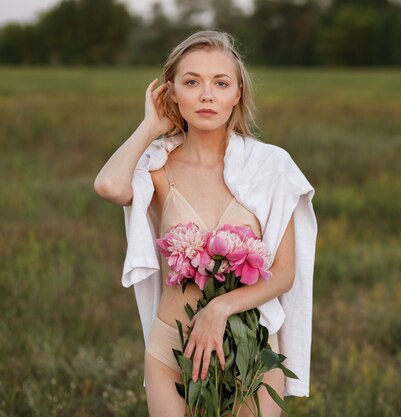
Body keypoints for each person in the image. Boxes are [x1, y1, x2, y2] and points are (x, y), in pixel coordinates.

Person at [94, 30, 317, 417]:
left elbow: (283, 275)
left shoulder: (270, 167)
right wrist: (150, 127)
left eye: (221, 83)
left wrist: (219, 310)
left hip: (252, 351)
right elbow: (109, 186)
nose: (207, 95)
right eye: (192, 82)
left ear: (238, 94)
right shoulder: (158, 166)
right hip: (172, 349)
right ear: (171, 93)